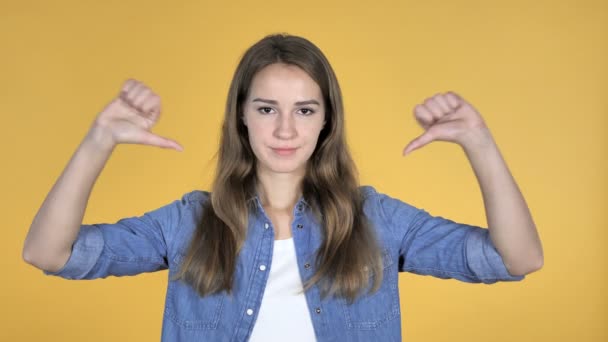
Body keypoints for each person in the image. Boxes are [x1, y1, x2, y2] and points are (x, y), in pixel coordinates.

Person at [22, 33, 543, 342]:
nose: (286, 130)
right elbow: (49, 253)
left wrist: (479, 142)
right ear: (242, 118)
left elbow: (516, 259)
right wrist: (98, 142)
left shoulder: (376, 220)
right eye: (267, 109)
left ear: (325, 122)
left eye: (305, 110)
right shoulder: (189, 222)